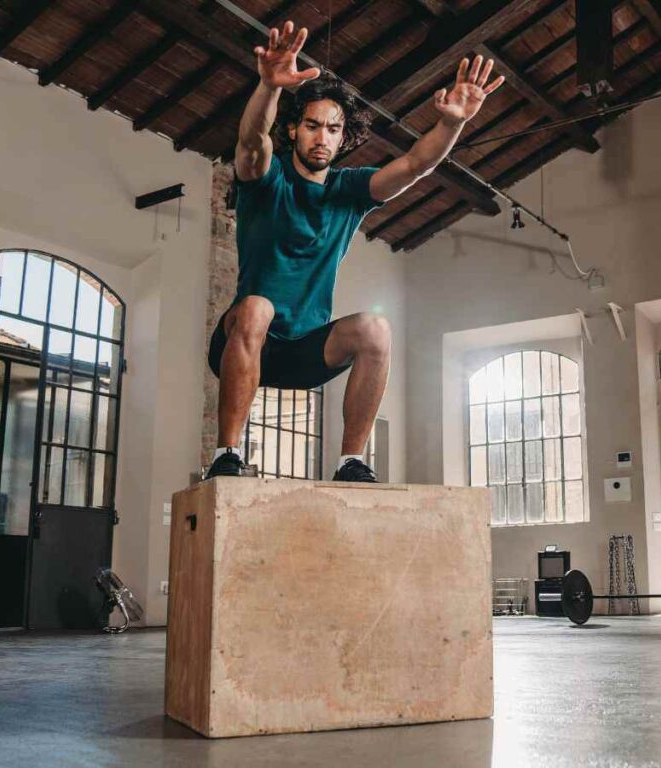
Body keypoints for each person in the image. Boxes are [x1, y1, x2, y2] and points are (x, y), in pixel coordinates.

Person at [206, 20, 505, 482]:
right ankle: (226, 454)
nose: (321, 137)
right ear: (294, 129)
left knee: (375, 328)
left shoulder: (349, 191)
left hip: (306, 351)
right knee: (257, 308)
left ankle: (351, 461)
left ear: (343, 136)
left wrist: (452, 122)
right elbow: (250, 142)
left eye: (332, 129)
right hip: (244, 340)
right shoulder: (268, 179)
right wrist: (268, 87)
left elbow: (416, 164)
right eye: (311, 126)